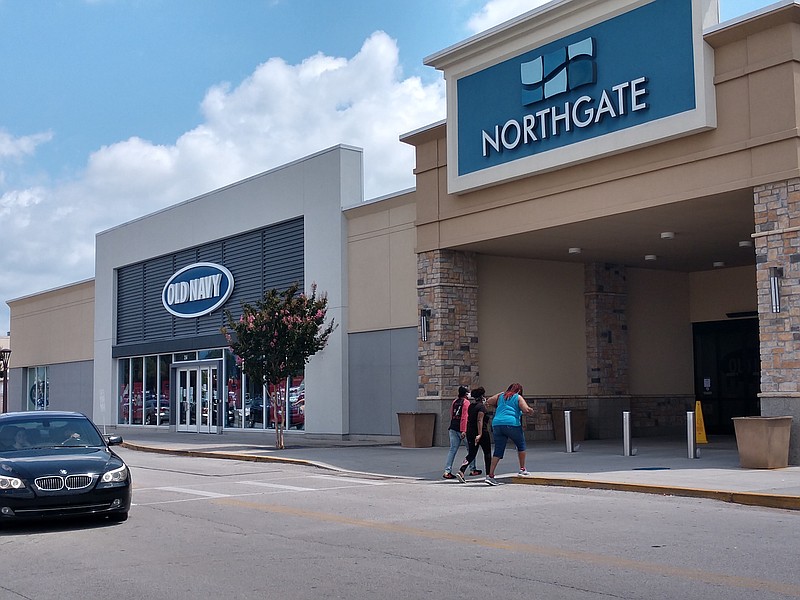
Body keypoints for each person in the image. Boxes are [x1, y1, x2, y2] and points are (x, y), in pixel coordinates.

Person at [484, 382, 534, 485]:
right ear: (519, 391)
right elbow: (525, 409)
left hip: (497, 424)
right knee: (521, 445)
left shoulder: (501, 395)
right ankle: (522, 469)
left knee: (498, 450)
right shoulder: (518, 397)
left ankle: (490, 475)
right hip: (511, 424)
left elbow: (488, 401)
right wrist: (530, 410)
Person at [455, 387, 492, 483]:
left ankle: (461, 470)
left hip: (470, 432)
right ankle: (489, 475)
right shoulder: (481, 407)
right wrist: (479, 434)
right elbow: (479, 420)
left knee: (471, 453)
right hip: (481, 432)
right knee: (487, 453)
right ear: (482, 396)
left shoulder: (471, 406)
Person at [442, 386, 476, 479]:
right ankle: (473, 469)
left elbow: (452, 414)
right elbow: (465, 417)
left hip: (453, 427)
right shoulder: (466, 403)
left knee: (452, 450)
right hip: (462, 430)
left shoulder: (455, 401)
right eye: (468, 393)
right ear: (465, 394)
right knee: (471, 449)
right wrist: (464, 430)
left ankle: (447, 471)